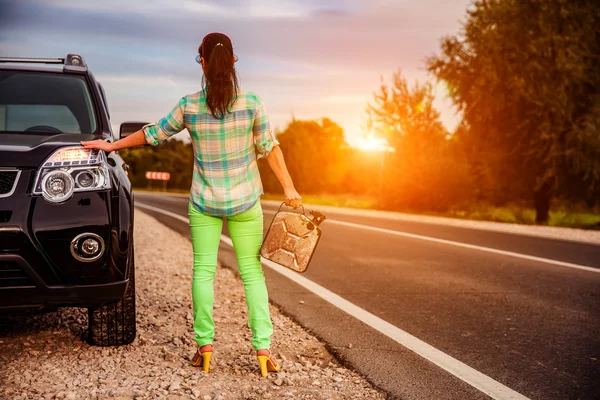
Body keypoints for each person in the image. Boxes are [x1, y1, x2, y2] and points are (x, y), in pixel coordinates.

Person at [81, 32, 302, 377]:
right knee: (252, 272)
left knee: (203, 272)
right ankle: (263, 349)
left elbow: (152, 133)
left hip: (205, 202)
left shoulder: (189, 105)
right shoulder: (253, 103)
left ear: (202, 61)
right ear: (233, 61)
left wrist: (111, 147)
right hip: (245, 201)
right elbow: (270, 148)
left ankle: (205, 346)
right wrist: (290, 188)